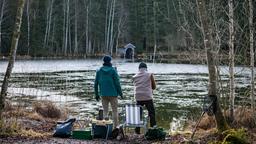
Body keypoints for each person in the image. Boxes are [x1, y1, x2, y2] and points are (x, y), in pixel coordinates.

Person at [94, 55, 123, 128]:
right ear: (110, 61)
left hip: (103, 94)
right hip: (113, 94)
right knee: (115, 111)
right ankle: (116, 128)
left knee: (105, 111)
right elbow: (117, 83)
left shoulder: (99, 71)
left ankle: (105, 128)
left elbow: (95, 84)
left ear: (103, 61)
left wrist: (96, 94)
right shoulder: (113, 70)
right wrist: (121, 94)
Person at [133, 62, 157, 134]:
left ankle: (137, 131)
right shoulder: (149, 75)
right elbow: (154, 87)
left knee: (138, 114)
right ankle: (153, 128)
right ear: (146, 68)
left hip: (138, 97)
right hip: (147, 97)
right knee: (151, 113)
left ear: (139, 69)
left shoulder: (135, 76)